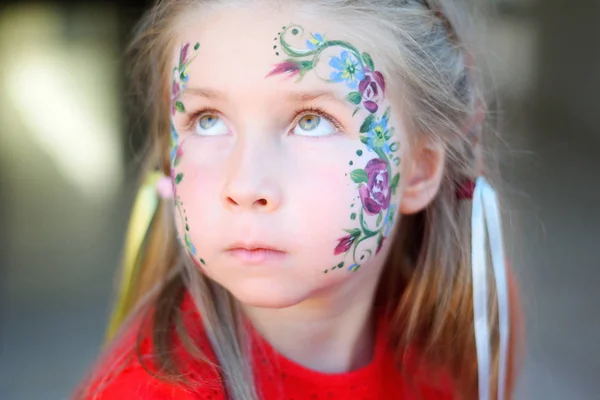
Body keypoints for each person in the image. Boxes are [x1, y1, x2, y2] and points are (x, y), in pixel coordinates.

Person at [76, 0, 524, 398]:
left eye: (313, 120)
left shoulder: (470, 330)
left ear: (421, 169)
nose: (245, 186)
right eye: (207, 119)